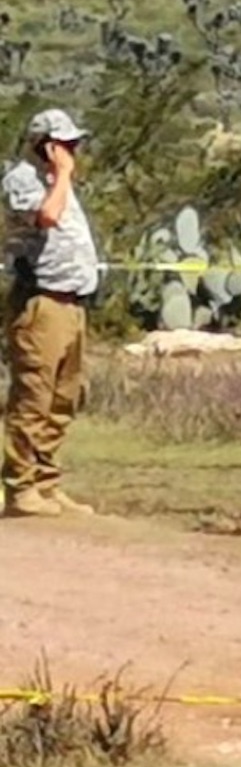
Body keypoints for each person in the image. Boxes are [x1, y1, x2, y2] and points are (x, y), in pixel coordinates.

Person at [2, 109, 102, 519]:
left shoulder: (55, 181)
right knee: (34, 396)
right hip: (41, 302)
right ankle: (20, 487)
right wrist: (62, 176)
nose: (73, 151)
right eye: (65, 144)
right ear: (46, 145)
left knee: (64, 397)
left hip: (73, 300)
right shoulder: (23, 180)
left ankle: (46, 482)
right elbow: (46, 217)